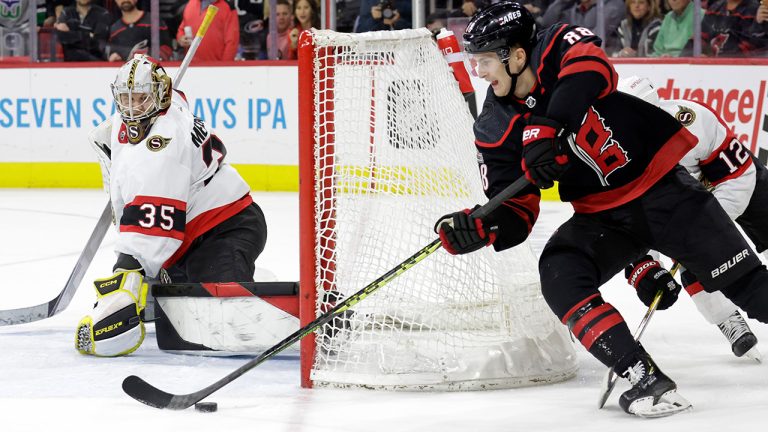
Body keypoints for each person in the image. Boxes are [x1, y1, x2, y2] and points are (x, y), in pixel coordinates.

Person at [435, 1, 768, 418]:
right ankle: (643, 376)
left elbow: (592, 69)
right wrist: (482, 227)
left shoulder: (558, 44)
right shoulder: (493, 124)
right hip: (605, 216)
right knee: (560, 270)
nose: (479, 72)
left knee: (750, 289)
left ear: (518, 55)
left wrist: (547, 125)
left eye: (484, 60)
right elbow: (516, 211)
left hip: (667, 194)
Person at [75, 54, 267, 357]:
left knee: (222, 322)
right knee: (178, 308)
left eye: (139, 98)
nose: (131, 107)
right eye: (124, 98)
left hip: (225, 227)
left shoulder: (164, 145)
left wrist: (125, 277)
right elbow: (177, 97)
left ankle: (289, 308)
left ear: (159, 95)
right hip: (189, 236)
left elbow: (151, 229)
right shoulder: (165, 104)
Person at [618, 76, 761, 361]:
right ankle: (726, 317)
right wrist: (644, 268)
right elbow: (619, 221)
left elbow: (739, 176)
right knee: (688, 259)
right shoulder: (615, 150)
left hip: (723, 191)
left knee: (710, 255)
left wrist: (707, 223)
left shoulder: (695, 122)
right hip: (662, 209)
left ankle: (736, 310)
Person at [537, 0, 626, 53]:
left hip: (611, 59)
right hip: (579, 57)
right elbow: (547, 22)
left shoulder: (614, 4)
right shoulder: (573, 9)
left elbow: (596, 37)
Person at [107, 0, 173, 62]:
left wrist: (147, 56)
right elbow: (111, 52)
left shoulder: (153, 20)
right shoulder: (114, 29)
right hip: (126, 72)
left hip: (151, 70)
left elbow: (167, 49)